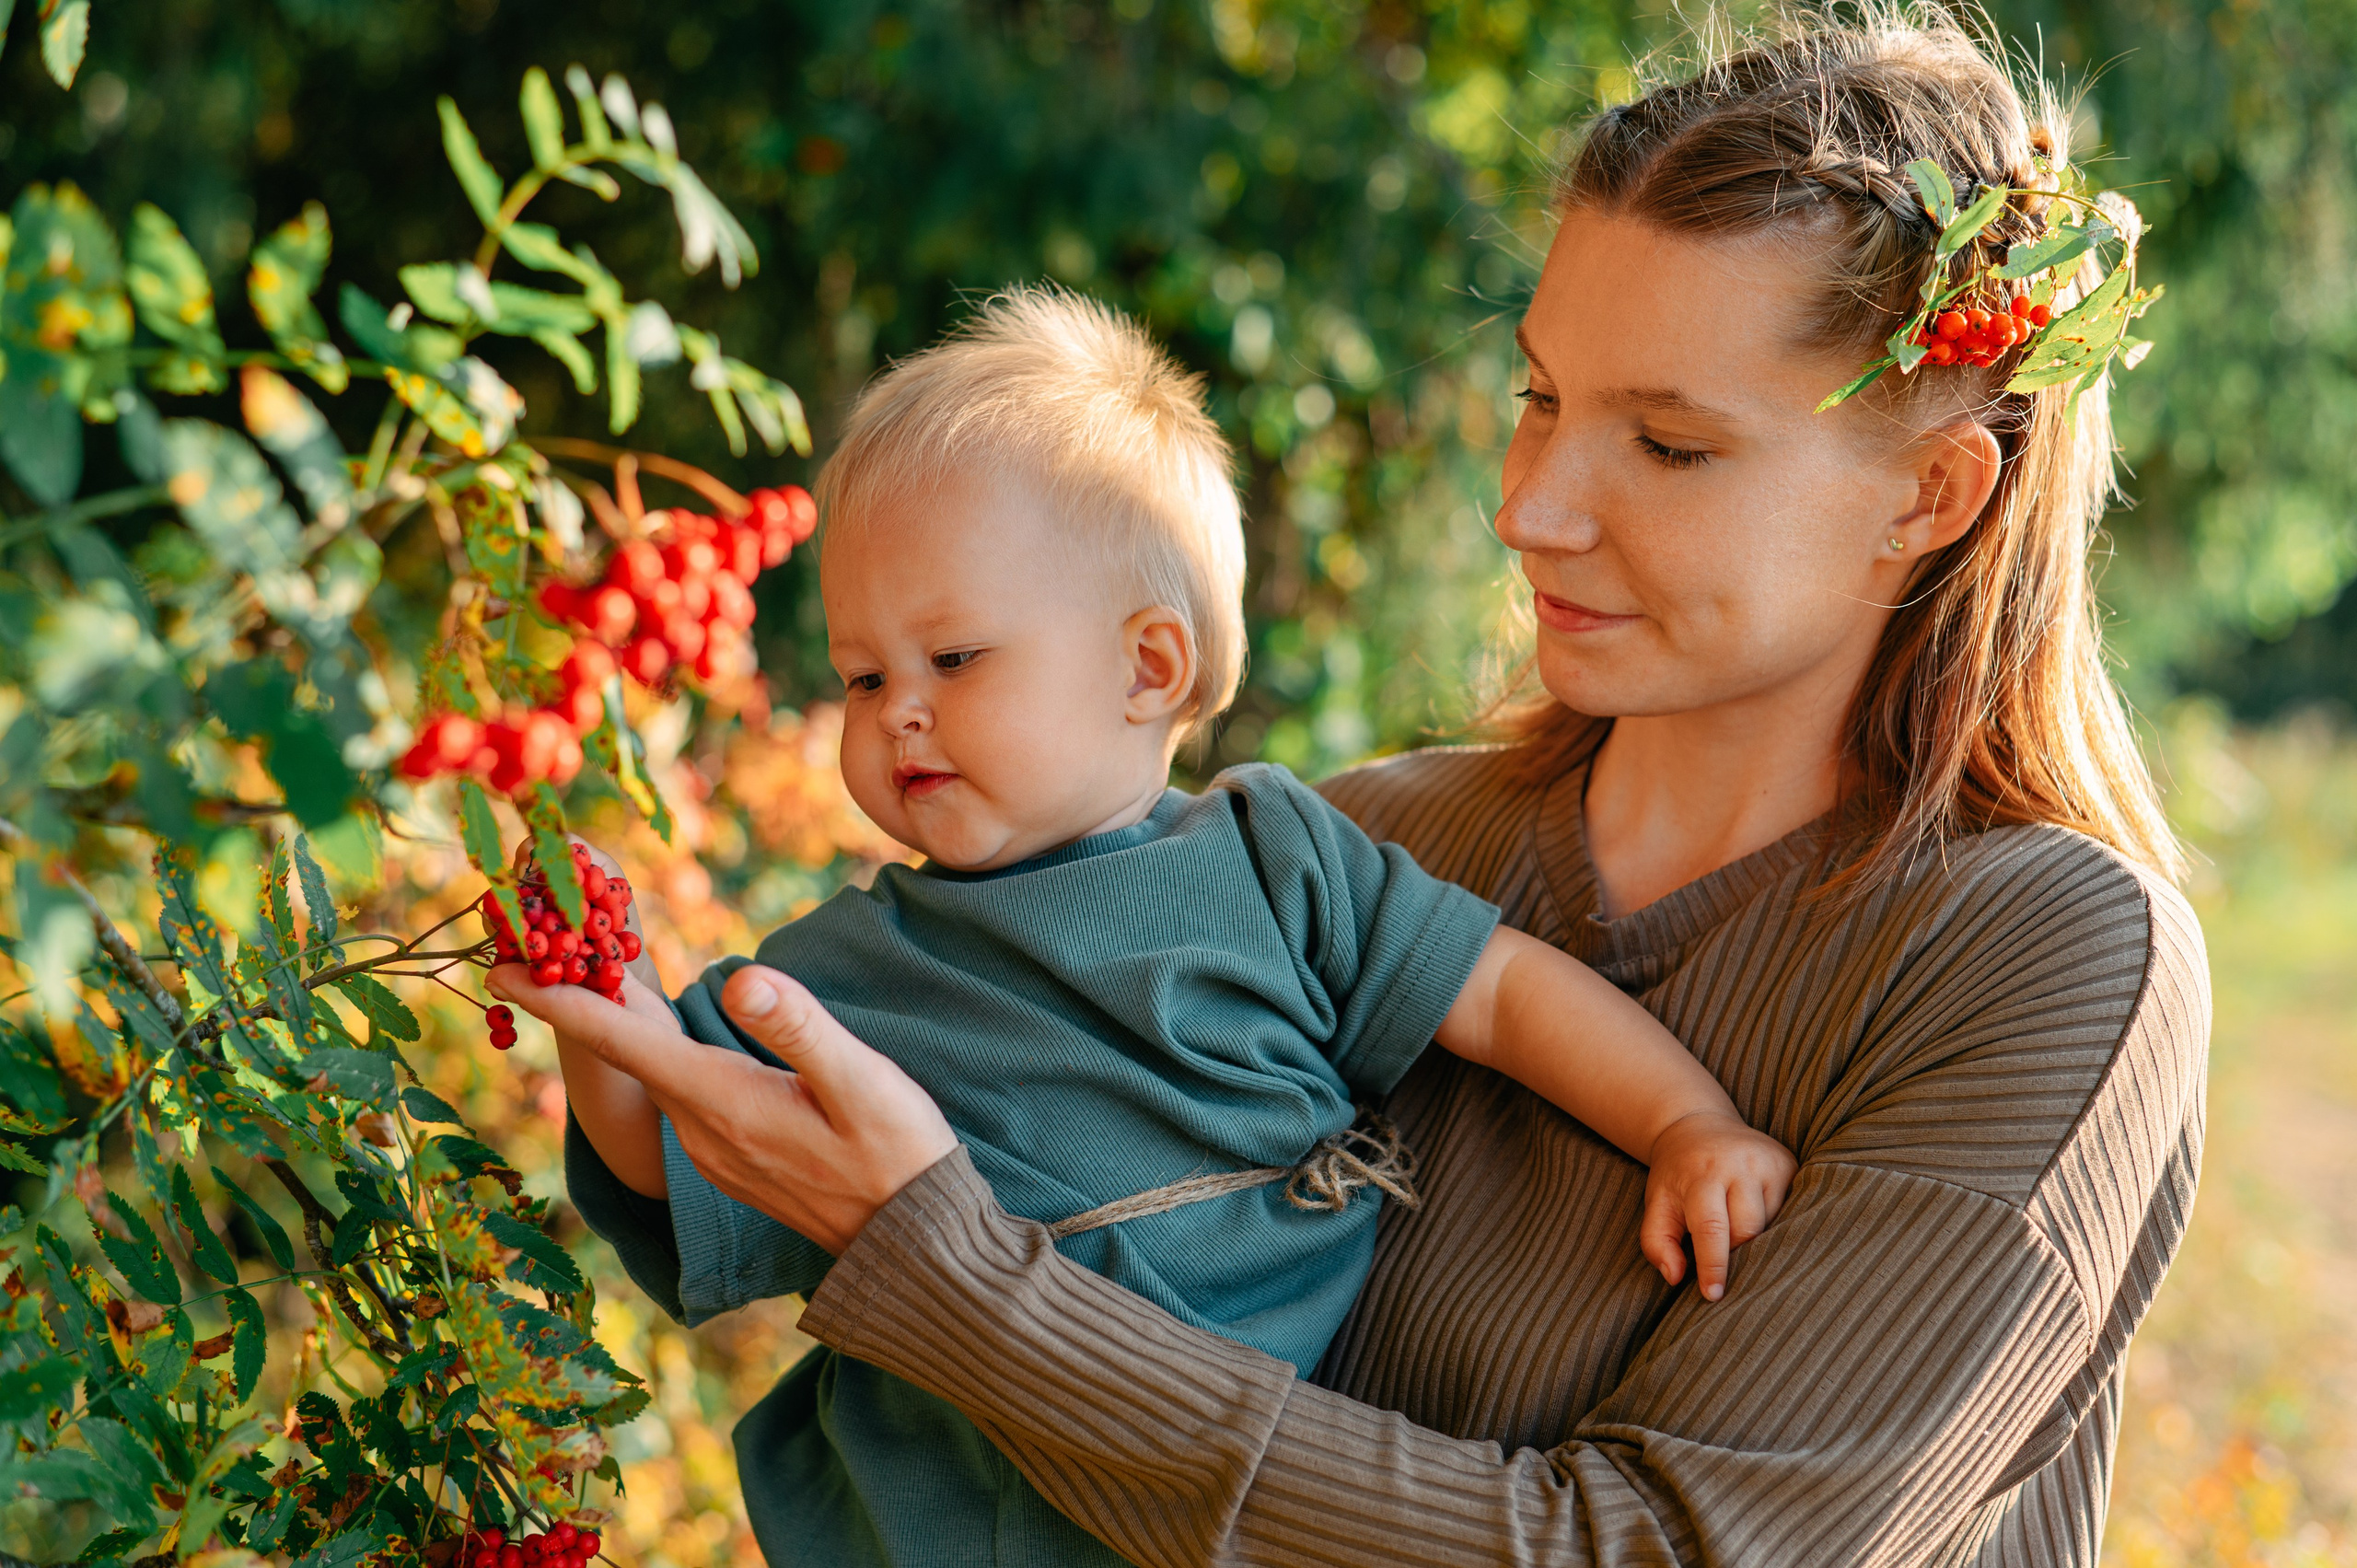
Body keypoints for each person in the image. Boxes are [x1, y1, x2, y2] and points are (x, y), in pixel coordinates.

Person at [495, 8, 2210, 1562]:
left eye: (1669, 445)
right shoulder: (1372, 842)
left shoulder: (2045, 962)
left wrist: (956, 1281)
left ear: (1932, 494)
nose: (1527, 507)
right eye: (1540, 398)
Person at [500, 288, 1794, 1568]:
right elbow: (671, 1144)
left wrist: (1681, 1122)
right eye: (862, 676)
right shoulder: (838, 977)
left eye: (953, 661)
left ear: (1149, 670)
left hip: (1239, 1498)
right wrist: (598, 1011)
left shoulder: (1277, 862)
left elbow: (1505, 991)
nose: (898, 712)